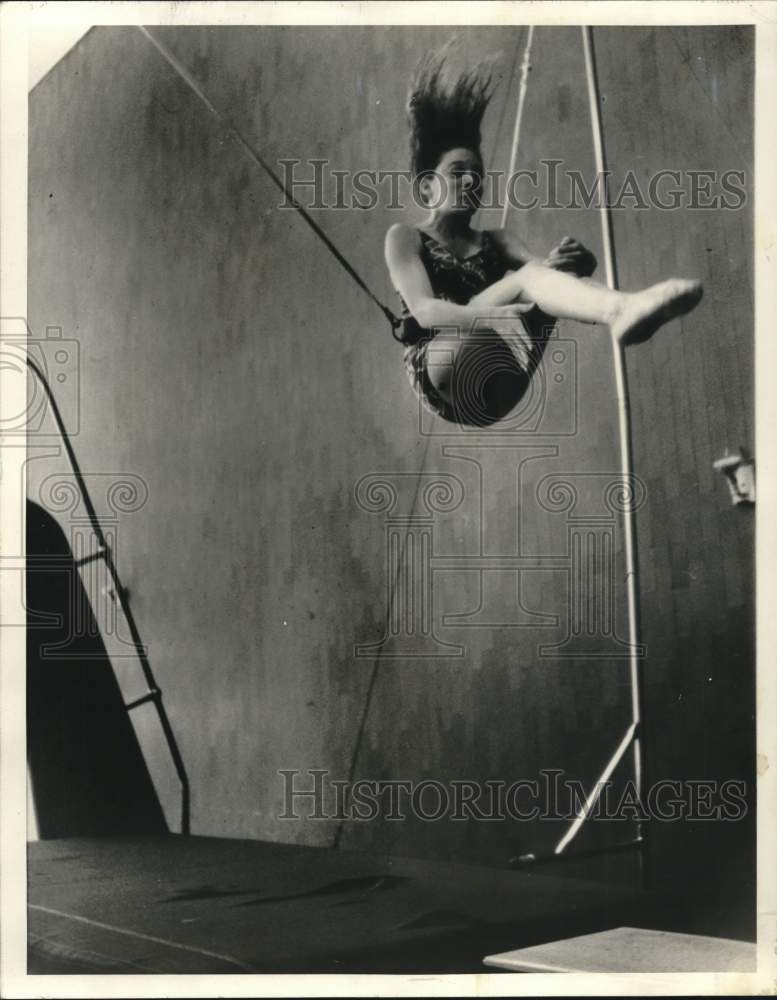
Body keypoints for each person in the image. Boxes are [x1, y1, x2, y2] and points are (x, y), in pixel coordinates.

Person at [385, 49, 703, 426]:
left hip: (499, 382)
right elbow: (425, 310)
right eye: (456, 172)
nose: (470, 180)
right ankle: (620, 309)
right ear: (426, 189)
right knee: (527, 281)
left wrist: (569, 269)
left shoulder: (497, 239)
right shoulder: (406, 237)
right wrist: (495, 315)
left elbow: (541, 278)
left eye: (476, 174)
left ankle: (622, 308)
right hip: (441, 366)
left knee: (546, 277)